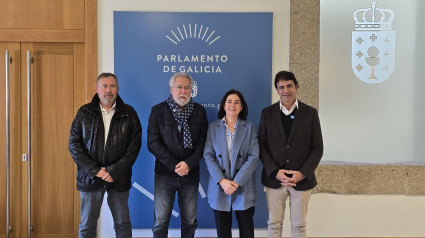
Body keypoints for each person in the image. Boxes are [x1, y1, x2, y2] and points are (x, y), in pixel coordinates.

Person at [69, 72, 142, 238]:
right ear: (97, 89)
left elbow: (134, 146)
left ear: (118, 89)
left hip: (118, 177)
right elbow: (74, 144)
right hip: (90, 177)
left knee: (123, 223)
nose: (108, 90)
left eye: (112, 86)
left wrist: (114, 171)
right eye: (104, 86)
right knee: (87, 225)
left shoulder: (129, 113)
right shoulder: (84, 112)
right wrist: (95, 170)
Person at [258, 71, 323, 238]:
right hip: (274, 179)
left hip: (300, 181)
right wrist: (275, 171)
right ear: (277, 90)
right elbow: (262, 145)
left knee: (299, 227)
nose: (286, 90)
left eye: (289, 86)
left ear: (296, 87)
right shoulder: (267, 113)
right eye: (281, 87)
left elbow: (317, 147)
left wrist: (302, 173)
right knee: (274, 225)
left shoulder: (310, 113)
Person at [147, 72, 208, 238]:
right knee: (160, 222)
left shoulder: (199, 111)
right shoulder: (158, 111)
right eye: (179, 87)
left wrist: (188, 164)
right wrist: (175, 165)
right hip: (164, 175)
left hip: (190, 174)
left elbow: (203, 143)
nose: (183, 91)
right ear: (171, 89)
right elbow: (153, 143)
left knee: (189, 222)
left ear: (191, 90)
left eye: (187, 87)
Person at [203, 89, 260, 238]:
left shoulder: (250, 127)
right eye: (229, 101)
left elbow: (254, 156)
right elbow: (208, 155)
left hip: (243, 185)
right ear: (223, 105)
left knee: (247, 230)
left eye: (237, 102)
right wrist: (222, 181)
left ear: (241, 107)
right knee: (223, 232)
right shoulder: (213, 127)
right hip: (220, 186)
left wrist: (236, 182)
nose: (232, 105)